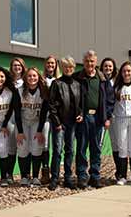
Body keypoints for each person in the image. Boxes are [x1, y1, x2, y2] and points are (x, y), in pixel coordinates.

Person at [74, 50, 113, 189]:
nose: (89, 64)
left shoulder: (103, 79)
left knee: (96, 149)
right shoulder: (77, 77)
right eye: (87, 61)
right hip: (83, 118)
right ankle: (82, 176)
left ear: (96, 62)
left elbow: (110, 100)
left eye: (92, 61)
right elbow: (73, 98)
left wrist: (107, 117)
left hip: (98, 118)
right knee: (82, 148)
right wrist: (76, 113)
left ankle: (95, 176)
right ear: (83, 62)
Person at [48, 56, 82, 190]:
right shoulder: (56, 83)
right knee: (57, 150)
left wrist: (80, 114)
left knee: (70, 150)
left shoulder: (77, 84)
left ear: (73, 68)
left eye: (71, 67)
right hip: (59, 123)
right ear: (62, 68)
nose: (69, 69)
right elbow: (51, 105)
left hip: (72, 123)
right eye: (66, 67)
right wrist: (57, 122)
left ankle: (68, 177)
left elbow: (79, 103)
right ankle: (54, 178)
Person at [16, 67, 48, 187]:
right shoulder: (19, 90)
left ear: (38, 77)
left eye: (34, 75)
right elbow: (17, 112)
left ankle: (35, 177)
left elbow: (44, 112)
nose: (32, 78)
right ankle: (24, 176)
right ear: (25, 77)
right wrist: (19, 131)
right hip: (23, 122)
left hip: (36, 122)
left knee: (36, 148)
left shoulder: (43, 90)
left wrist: (40, 130)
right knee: (23, 148)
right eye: (29, 76)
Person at [112, 61, 131, 186]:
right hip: (121, 119)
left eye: (129, 71)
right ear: (121, 73)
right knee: (122, 148)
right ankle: (123, 176)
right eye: (124, 71)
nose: (126, 73)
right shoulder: (117, 87)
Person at [41, 55, 60, 184]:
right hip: (45, 116)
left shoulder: (59, 80)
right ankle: (45, 172)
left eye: (53, 63)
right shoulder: (41, 80)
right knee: (45, 144)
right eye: (48, 63)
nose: (50, 65)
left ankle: (56, 173)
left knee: (57, 145)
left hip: (57, 117)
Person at [7, 57, 27, 183]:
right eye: (15, 65)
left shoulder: (26, 82)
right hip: (9, 118)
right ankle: (9, 175)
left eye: (19, 65)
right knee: (11, 148)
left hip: (23, 119)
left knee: (22, 147)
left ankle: (24, 175)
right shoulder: (7, 82)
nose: (17, 67)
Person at [99, 57, 118, 178]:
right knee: (99, 144)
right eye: (105, 66)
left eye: (110, 66)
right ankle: (96, 173)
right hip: (102, 117)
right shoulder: (99, 80)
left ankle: (119, 172)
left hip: (116, 116)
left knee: (116, 144)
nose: (108, 68)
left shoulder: (117, 81)